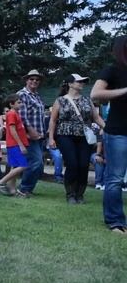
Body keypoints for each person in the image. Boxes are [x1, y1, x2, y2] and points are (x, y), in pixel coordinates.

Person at [48, 74, 105, 204]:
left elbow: (96, 117)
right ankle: (70, 194)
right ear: (70, 84)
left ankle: (80, 194)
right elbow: (53, 120)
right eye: (78, 81)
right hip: (65, 135)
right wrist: (51, 138)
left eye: (82, 82)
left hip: (84, 136)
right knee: (72, 164)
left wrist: (107, 127)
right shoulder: (60, 100)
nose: (81, 83)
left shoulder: (87, 100)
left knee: (83, 165)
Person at [91, 35, 127, 235]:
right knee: (115, 178)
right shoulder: (112, 70)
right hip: (118, 133)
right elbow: (95, 94)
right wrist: (124, 91)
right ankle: (115, 222)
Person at [16, 69, 46, 196]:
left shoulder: (37, 96)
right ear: (26, 80)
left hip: (39, 135)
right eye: (31, 79)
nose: (34, 81)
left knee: (38, 165)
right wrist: (31, 131)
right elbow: (22, 117)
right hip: (28, 135)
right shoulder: (22, 94)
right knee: (36, 162)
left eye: (37, 79)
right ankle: (23, 189)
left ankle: (28, 189)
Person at [0, 94, 29, 197]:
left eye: (21, 102)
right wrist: (21, 145)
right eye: (18, 102)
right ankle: (1, 182)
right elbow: (12, 130)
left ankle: (12, 191)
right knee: (23, 166)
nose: (21, 104)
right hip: (15, 145)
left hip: (15, 144)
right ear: (11, 104)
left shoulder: (16, 113)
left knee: (15, 168)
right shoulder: (11, 114)